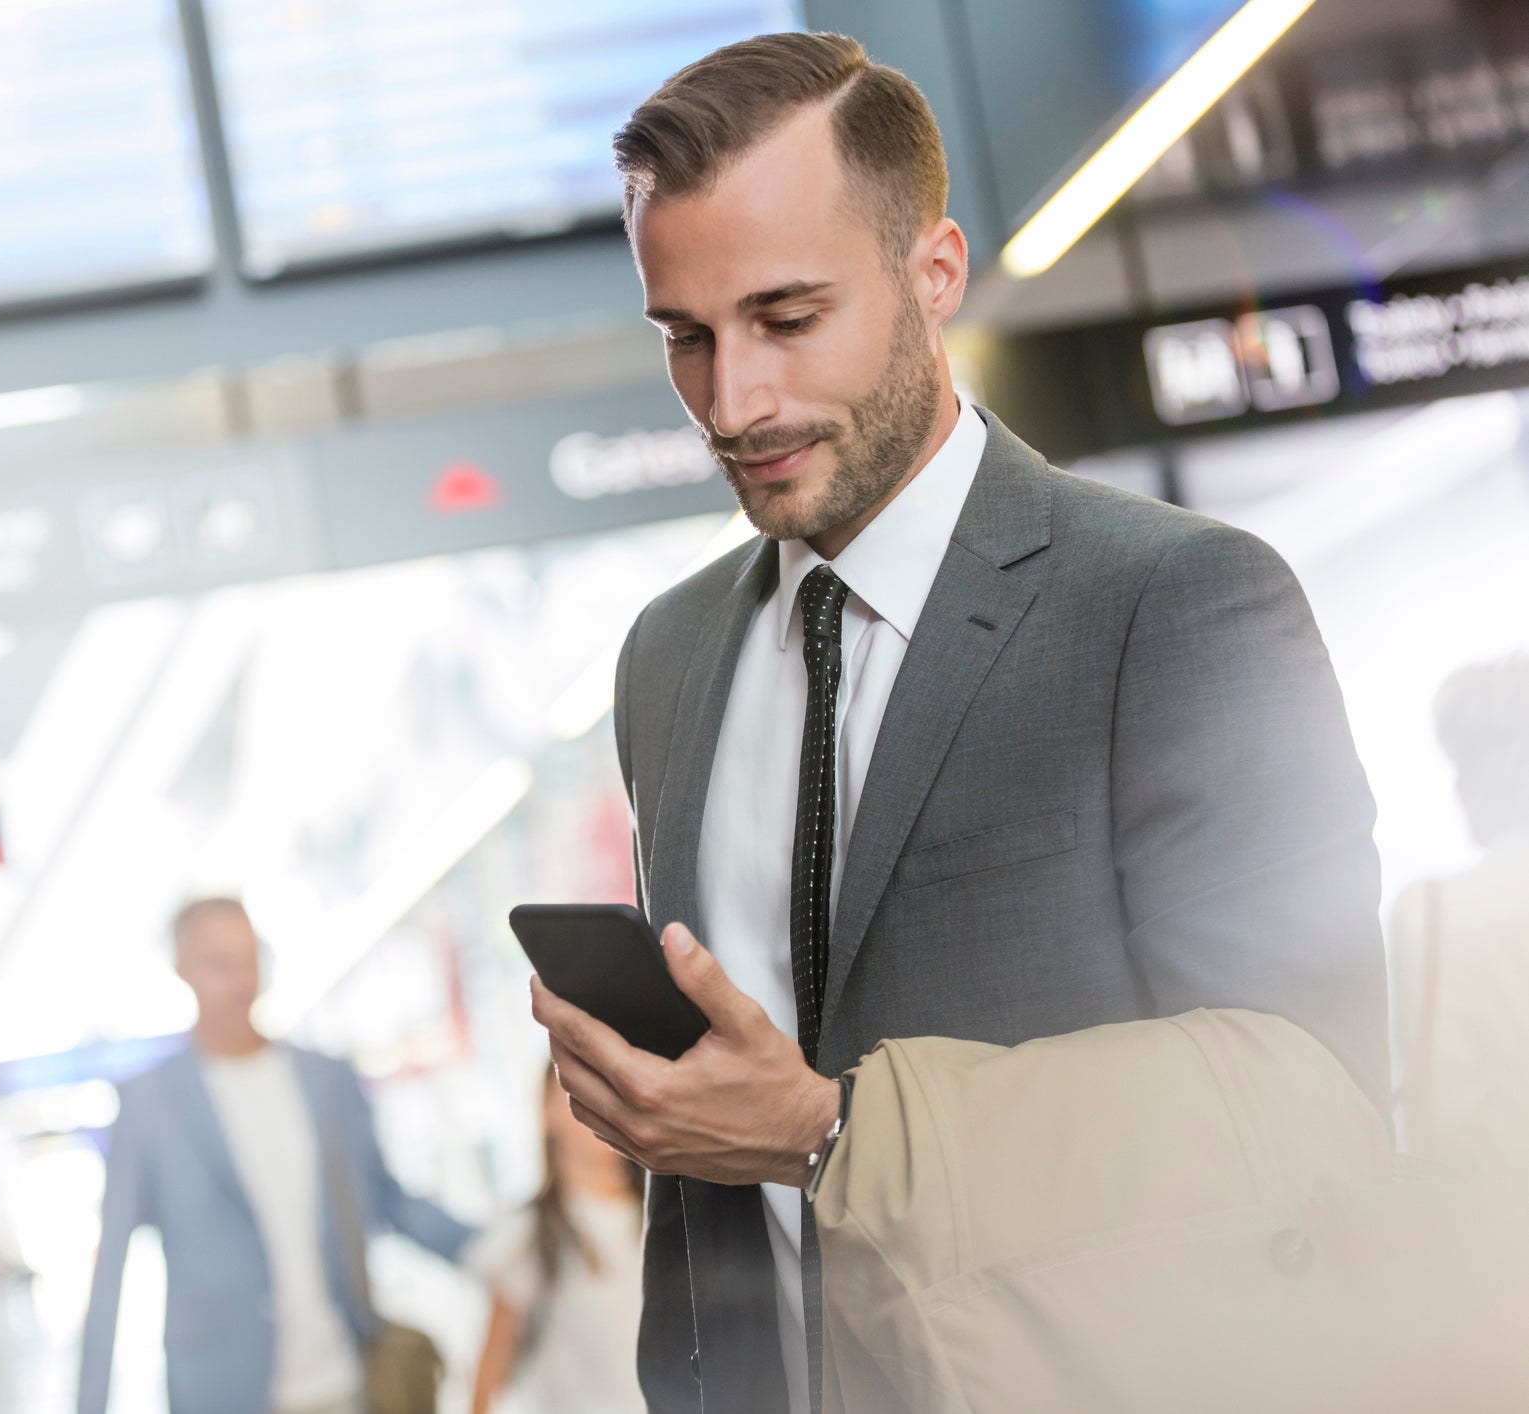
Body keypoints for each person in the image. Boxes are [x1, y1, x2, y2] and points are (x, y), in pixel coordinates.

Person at [527, 31, 1387, 1414]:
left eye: (786, 318)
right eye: (686, 335)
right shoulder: (669, 659)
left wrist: (828, 1131)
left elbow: (1314, 1103)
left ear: (934, 274)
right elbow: (703, 1229)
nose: (731, 401)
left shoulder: (1172, 607)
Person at [77, 898, 475, 1414]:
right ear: (183, 971)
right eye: (220, 964)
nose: (241, 980)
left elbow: (386, 1198)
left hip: (351, 1381)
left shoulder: (326, 1078)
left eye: (249, 958)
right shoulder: (148, 1105)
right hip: (224, 1392)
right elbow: (111, 1269)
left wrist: (496, 1246)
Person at [1390, 653, 1529, 1164]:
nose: (1457, 790)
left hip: (1504, 1225)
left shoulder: (1431, 912)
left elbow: (1445, 1120)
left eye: (1464, 764)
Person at [468, 1067, 647, 1414]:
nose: (600, 1105)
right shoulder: (527, 1233)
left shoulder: (660, 1215)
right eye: (580, 1092)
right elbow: (490, 1367)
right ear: (547, 1111)